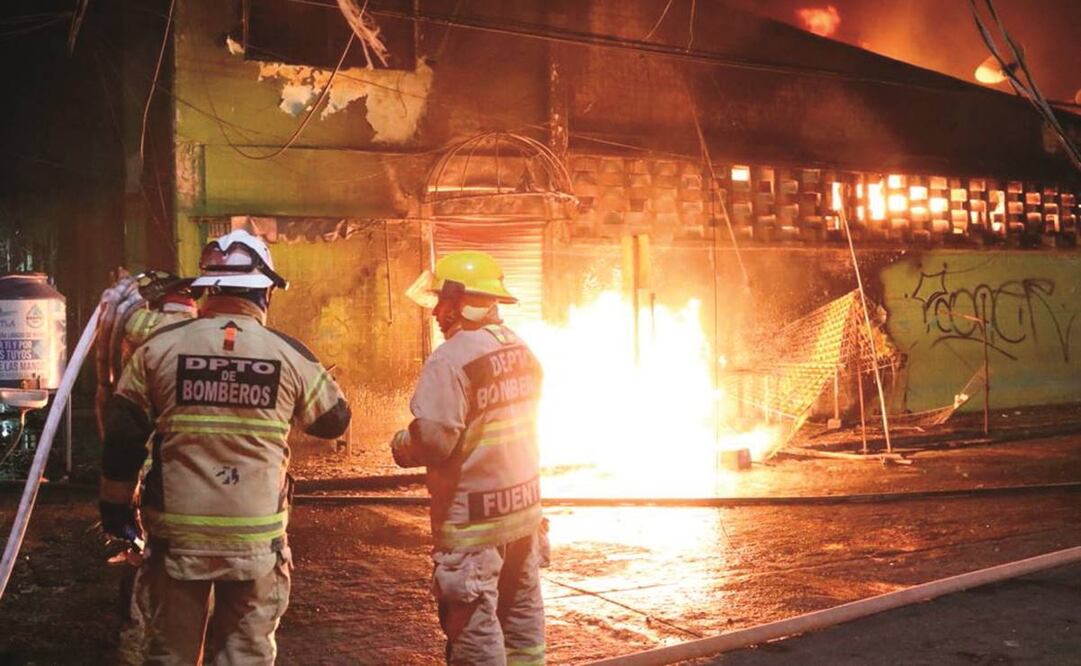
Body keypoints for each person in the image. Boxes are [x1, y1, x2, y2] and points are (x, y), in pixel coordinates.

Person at [98, 229, 351, 664]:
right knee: (244, 655)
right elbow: (333, 422)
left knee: (170, 653)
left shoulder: (158, 349)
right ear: (265, 293)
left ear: (206, 290)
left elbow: (123, 437)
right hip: (255, 539)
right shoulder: (288, 354)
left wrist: (116, 510)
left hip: (179, 537)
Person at [391, 251, 548, 665]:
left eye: (442, 302)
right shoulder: (519, 348)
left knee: (473, 631)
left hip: (474, 523)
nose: (436, 314)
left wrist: (401, 445)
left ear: (462, 300)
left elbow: (434, 440)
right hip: (522, 513)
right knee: (522, 625)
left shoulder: (451, 358)